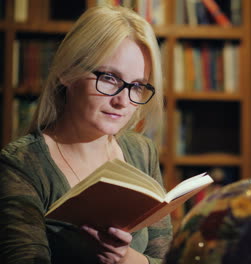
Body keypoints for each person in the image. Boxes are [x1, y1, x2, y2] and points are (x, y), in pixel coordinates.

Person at [0, 5, 172, 264]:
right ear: (67, 73)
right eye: (110, 78)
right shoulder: (21, 164)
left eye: (136, 86)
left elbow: (166, 257)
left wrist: (125, 259)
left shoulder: (141, 151)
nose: (123, 101)